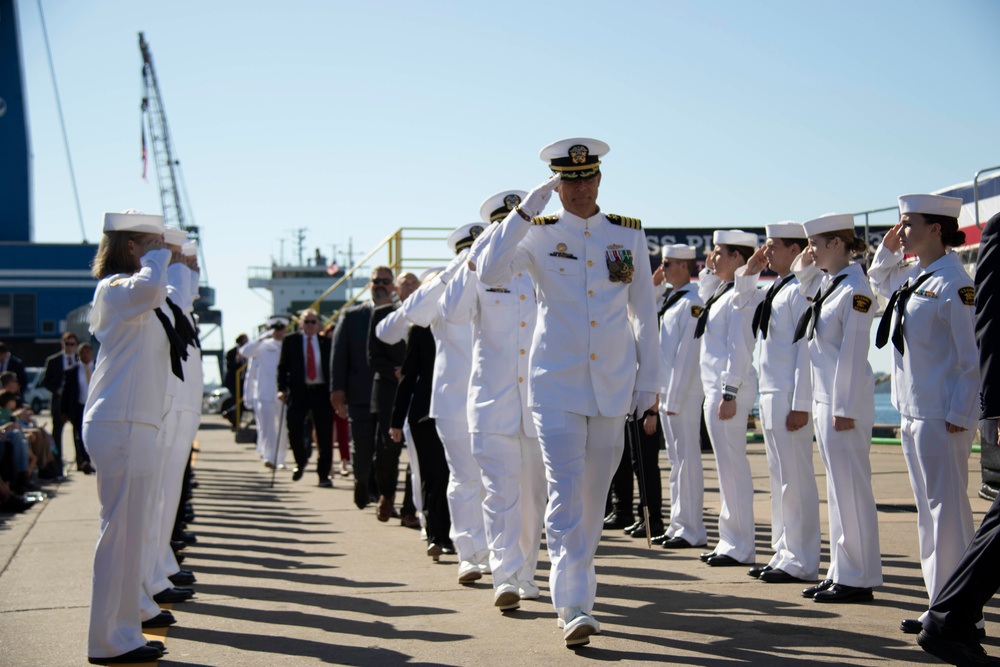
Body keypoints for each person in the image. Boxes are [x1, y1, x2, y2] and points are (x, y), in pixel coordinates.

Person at [477, 137, 658, 647]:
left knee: (593, 497)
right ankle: (575, 605)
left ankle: (577, 586)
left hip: (613, 386)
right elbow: (490, 270)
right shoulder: (537, 232)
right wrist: (523, 211)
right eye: (569, 181)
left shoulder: (627, 234)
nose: (580, 189)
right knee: (565, 491)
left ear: (599, 178)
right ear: (557, 186)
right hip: (555, 384)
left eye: (587, 178)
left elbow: (644, 312)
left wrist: (649, 383)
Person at [868, 194, 978, 633]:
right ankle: (939, 605)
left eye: (908, 223)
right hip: (913, 412)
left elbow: (971, 358)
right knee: (929, 517)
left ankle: (963, 613)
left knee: (949, 516)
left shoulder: (954, 283)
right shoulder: (915, 276)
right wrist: (887, 249)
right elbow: (878, 279)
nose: (901, 231)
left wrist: (961, 413)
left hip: (941, 415)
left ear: (936, 229)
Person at [83, 210, 184, 664]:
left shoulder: (143, 290)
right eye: (153, 244)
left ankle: (124, 631)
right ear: (131, 247)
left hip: (135, 423)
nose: (163, 253)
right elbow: (147, 289)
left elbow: (162, 296)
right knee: (119, 537)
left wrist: (163, 258)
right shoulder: (115, 288)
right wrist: (159, 260)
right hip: (118, 422)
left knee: (130, 535)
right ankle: (108, 640)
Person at [441, 188, 548, 611]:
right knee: (500, 494)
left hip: (537, 404)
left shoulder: (540, 268)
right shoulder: (480, 272)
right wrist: (473, 261)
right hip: (492, 404)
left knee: (533, 499)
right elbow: (452, 312)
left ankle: (526, 574)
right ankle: (505, 576)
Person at [917, 208, 1000, 666]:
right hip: (927, 410)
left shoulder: (946, 280)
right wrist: (993, 408)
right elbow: (990, 326)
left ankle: (948, 613)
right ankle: (947, 612)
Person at [792, 212, 882, 603]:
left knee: (853, 493)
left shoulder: (855, 289)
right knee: (838, 493)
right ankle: (841, 572)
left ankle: (859, 578)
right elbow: (801, 278)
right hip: (826, 401)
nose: (810, 250)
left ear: (837, 243)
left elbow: (853, 351)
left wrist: (843, 407)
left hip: (844, 406)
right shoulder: (831, 284)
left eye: (815, 243)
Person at [733, 223, 820, 584]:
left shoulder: (803, 289)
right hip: (771, 393)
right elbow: (741, 306)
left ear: (795, 250)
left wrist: (801, 403)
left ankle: (802, 559)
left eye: (773, 246)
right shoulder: (777, 287)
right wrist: (749, 273)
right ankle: (784, 552)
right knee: (779, 479)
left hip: (788, 395)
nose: (766, 252)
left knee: (796, 481)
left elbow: (805, 350)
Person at [401, 224, 488, 584]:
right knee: (465, 478)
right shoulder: (443, 290)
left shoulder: (503, 280)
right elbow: (412, 313)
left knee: (498, 482)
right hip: (453, 401)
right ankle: (468, 554)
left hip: (496, 397)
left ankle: (495, 552)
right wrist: (453, 271)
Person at [694, 229, 759, 568]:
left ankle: (741, 545)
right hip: (716, 390)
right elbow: (704, 292)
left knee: (734, 470)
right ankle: (730, 541)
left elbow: (739, 347)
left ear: (737, 257)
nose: (713, 257)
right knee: (726, 472)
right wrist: (709, 269)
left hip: (728, 392)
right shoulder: (723, 291)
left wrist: (730, 391)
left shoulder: (742, 295)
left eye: (720, 253)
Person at [650, 244, 707, 549]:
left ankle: (692, 529)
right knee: (676, 462)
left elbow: (687, 356)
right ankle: (678, 525)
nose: (663, 269)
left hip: (682, 395)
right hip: (668, 393)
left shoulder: (693, 303)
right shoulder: (672, 301)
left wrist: (673, 398)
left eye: (668, 263)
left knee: (687, 462)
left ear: (685, 266)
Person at [331, 267, 394, 505]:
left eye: (385, 281)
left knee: (386, 450)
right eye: (376, 281)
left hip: (390, 395)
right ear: (369, 285)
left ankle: (382, 495)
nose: (380, 285)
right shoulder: (352, 316)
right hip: (360, 394)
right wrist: (337, 389)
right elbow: (339, 355)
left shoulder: (401, 314)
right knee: (363, 448)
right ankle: (361, 482)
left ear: (392, 286)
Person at [278, 308, 334, 486]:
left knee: (325, 434)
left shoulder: (326, 343)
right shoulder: (291, 341)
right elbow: (283, 367)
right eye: (307, 321)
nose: (310, 325)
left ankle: (323, 474)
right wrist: (281, 389)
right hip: (298, 391)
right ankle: (300, 461)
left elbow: (334, 368)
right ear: (301, 323)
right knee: (294, 429)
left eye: (313, 322)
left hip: (321, 392)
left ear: (318, 324)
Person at [240, 318, 290, 469]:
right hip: (264, 394)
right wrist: (262, 337)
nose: (278, 332)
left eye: (281, 329)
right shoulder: (262, 346)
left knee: (283, 427)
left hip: (283, 394)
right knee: (267, 427)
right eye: (275, 329)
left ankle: (280, 459)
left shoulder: (288, 345)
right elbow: (245, 352)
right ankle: (269, 457)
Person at [42, 331, 79, 473]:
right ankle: (57, 464)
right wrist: (57, 389)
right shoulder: (53, 360)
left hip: (75, 403)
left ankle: (80, 461)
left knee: (78, 433)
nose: (69, 347)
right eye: (67, 343)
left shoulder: (80, 360)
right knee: (57, 433)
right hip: (59, 403)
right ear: (62, 343)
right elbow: (45, 381)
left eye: (72, 344)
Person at [61, 342, 95, 474]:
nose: (85, 355)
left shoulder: (99, 368)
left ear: (92, 353)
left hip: (96, 408)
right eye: (82, 352)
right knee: (80, 435)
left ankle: (94, 460)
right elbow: (66, 393)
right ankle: (83, 461)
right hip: (79, 407)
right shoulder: (72, 371)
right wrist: (64, 411)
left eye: (87, 352)